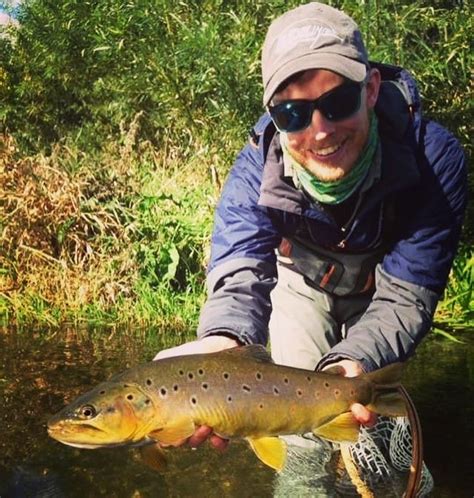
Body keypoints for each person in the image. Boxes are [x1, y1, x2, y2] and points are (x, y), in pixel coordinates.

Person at [155, 2, 467, 452]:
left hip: (384, 290)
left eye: (337, 103)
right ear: (274, 116)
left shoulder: (436, 161)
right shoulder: (255, 168)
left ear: (372, 90)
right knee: (300, 437)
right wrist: (224, 340)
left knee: (363, 420)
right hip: (301, 282)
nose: (320, 131)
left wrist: (355, 360)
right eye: (293, 115)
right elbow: (240, 273)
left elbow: (407, 295)